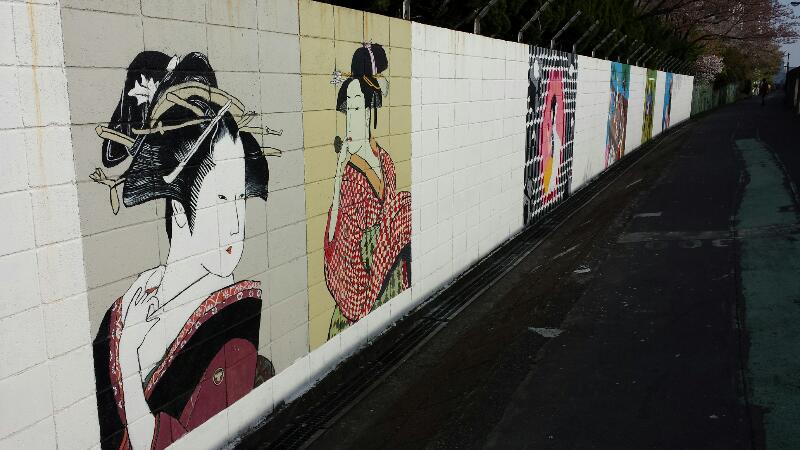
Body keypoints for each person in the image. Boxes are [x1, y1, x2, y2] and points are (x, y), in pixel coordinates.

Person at [90, 51, 276, 450]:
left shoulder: (231, 320)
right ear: (178, 209)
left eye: (240, 199)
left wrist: (128, 364)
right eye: (222, 199)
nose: (237, 223)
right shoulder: (125, 311)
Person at [324, 43, 412, 338]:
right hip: (362, 294)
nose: (352, 118)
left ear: (371, 109)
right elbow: (342, 251)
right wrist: (339, 174)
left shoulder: (385, 161)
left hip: (393, 282)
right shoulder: (350, 175)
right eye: (347, 108)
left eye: (358, 107)